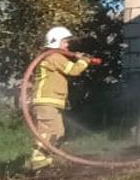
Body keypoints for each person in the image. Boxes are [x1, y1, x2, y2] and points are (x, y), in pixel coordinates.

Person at [26, 26, 99, 171]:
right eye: (65, 42)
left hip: (50, 102)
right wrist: (84, 60)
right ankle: (38, 161)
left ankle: (46, 159)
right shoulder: (53, 56)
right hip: (45, 101)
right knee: (48, 131)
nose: (67, 45)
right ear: (56, 42)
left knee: (58, 132)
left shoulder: (52, 57)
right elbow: (73, 70)